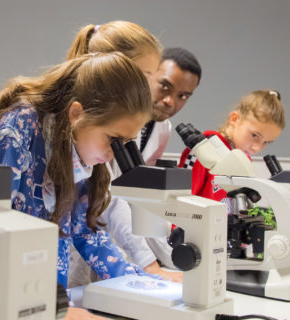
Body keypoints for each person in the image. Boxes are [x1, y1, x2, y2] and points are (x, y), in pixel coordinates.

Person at [0, 52, 156, 319]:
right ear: (76, 114)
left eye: (125, 144)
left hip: (32, 300)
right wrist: (56, 311)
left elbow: (87, 232)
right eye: (113, 139)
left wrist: (145, 286)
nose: (113, 154)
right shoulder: (19, 132)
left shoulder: (76, 150)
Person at [95, 47, 203, 283]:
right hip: (89, 236)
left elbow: (143, 199)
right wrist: (149, 263)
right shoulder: (109, 121)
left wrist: (175, 261)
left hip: (124, 240)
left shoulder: (163, 129)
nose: (170, 101)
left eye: (183, 95)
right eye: (165, 86)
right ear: (146, 75)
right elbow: (108, 199)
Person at [179, 89, 285, 203]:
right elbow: (181, 200)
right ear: (234, 119)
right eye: (255, 135)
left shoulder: (243, 157)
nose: (257, 148)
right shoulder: (202, 149)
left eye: (266, 142)